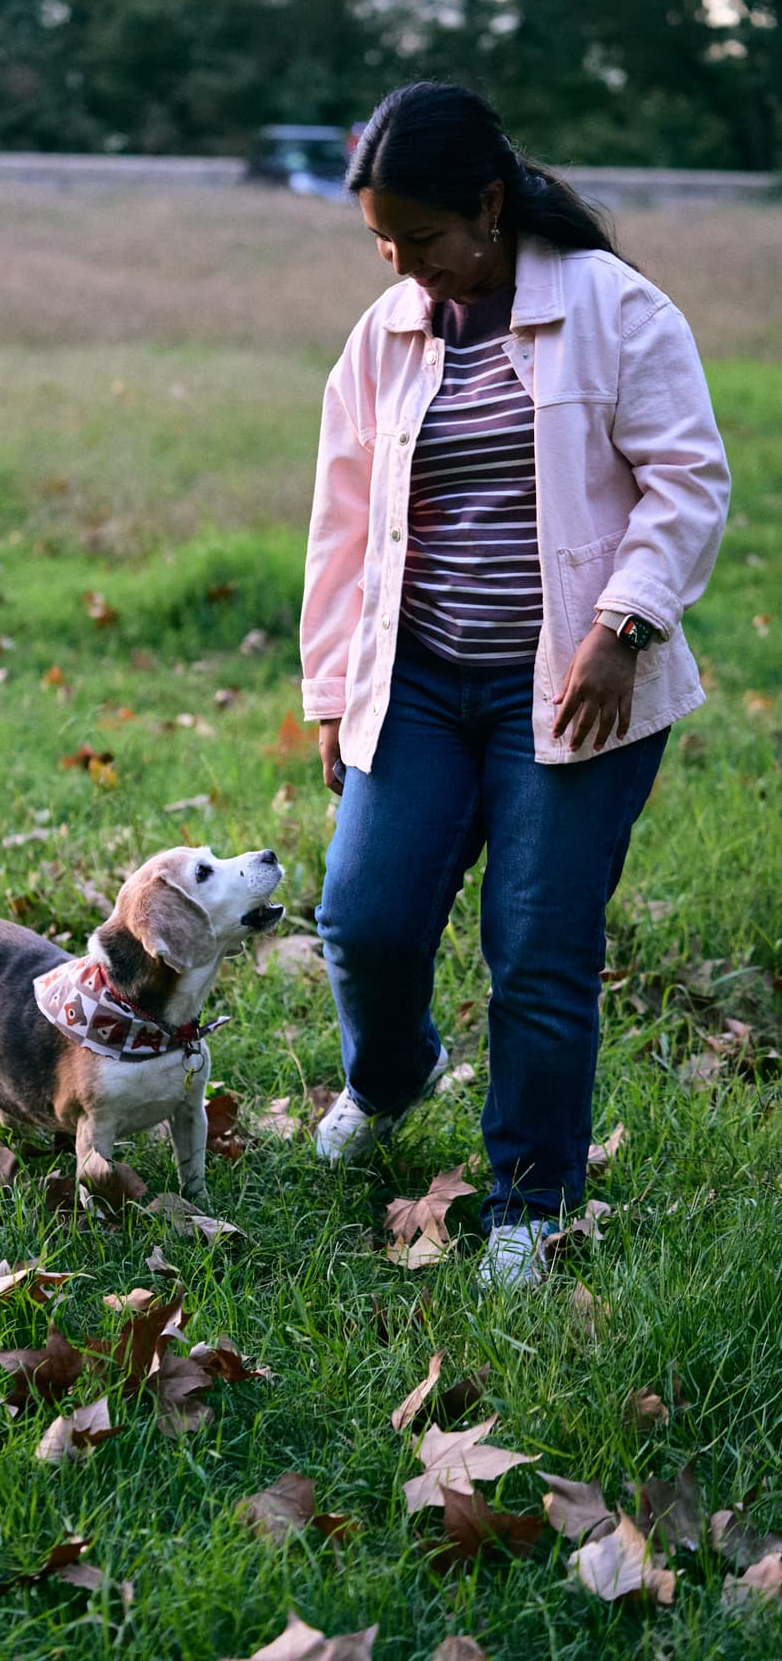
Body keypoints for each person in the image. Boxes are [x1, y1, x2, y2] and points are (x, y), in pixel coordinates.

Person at [300, 81, 730, 1289]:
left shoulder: (614, 309)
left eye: (423, 239)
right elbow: (344, 524)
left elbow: (688, 479)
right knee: (364, 921)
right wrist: (333, 689)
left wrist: (624, 624)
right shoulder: (383, 336)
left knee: (537, 948)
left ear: (488, 208)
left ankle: (530, 1206)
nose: (403, 264)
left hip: (575, 688)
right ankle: (392, 1075)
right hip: (423, 682)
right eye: (383, 242)